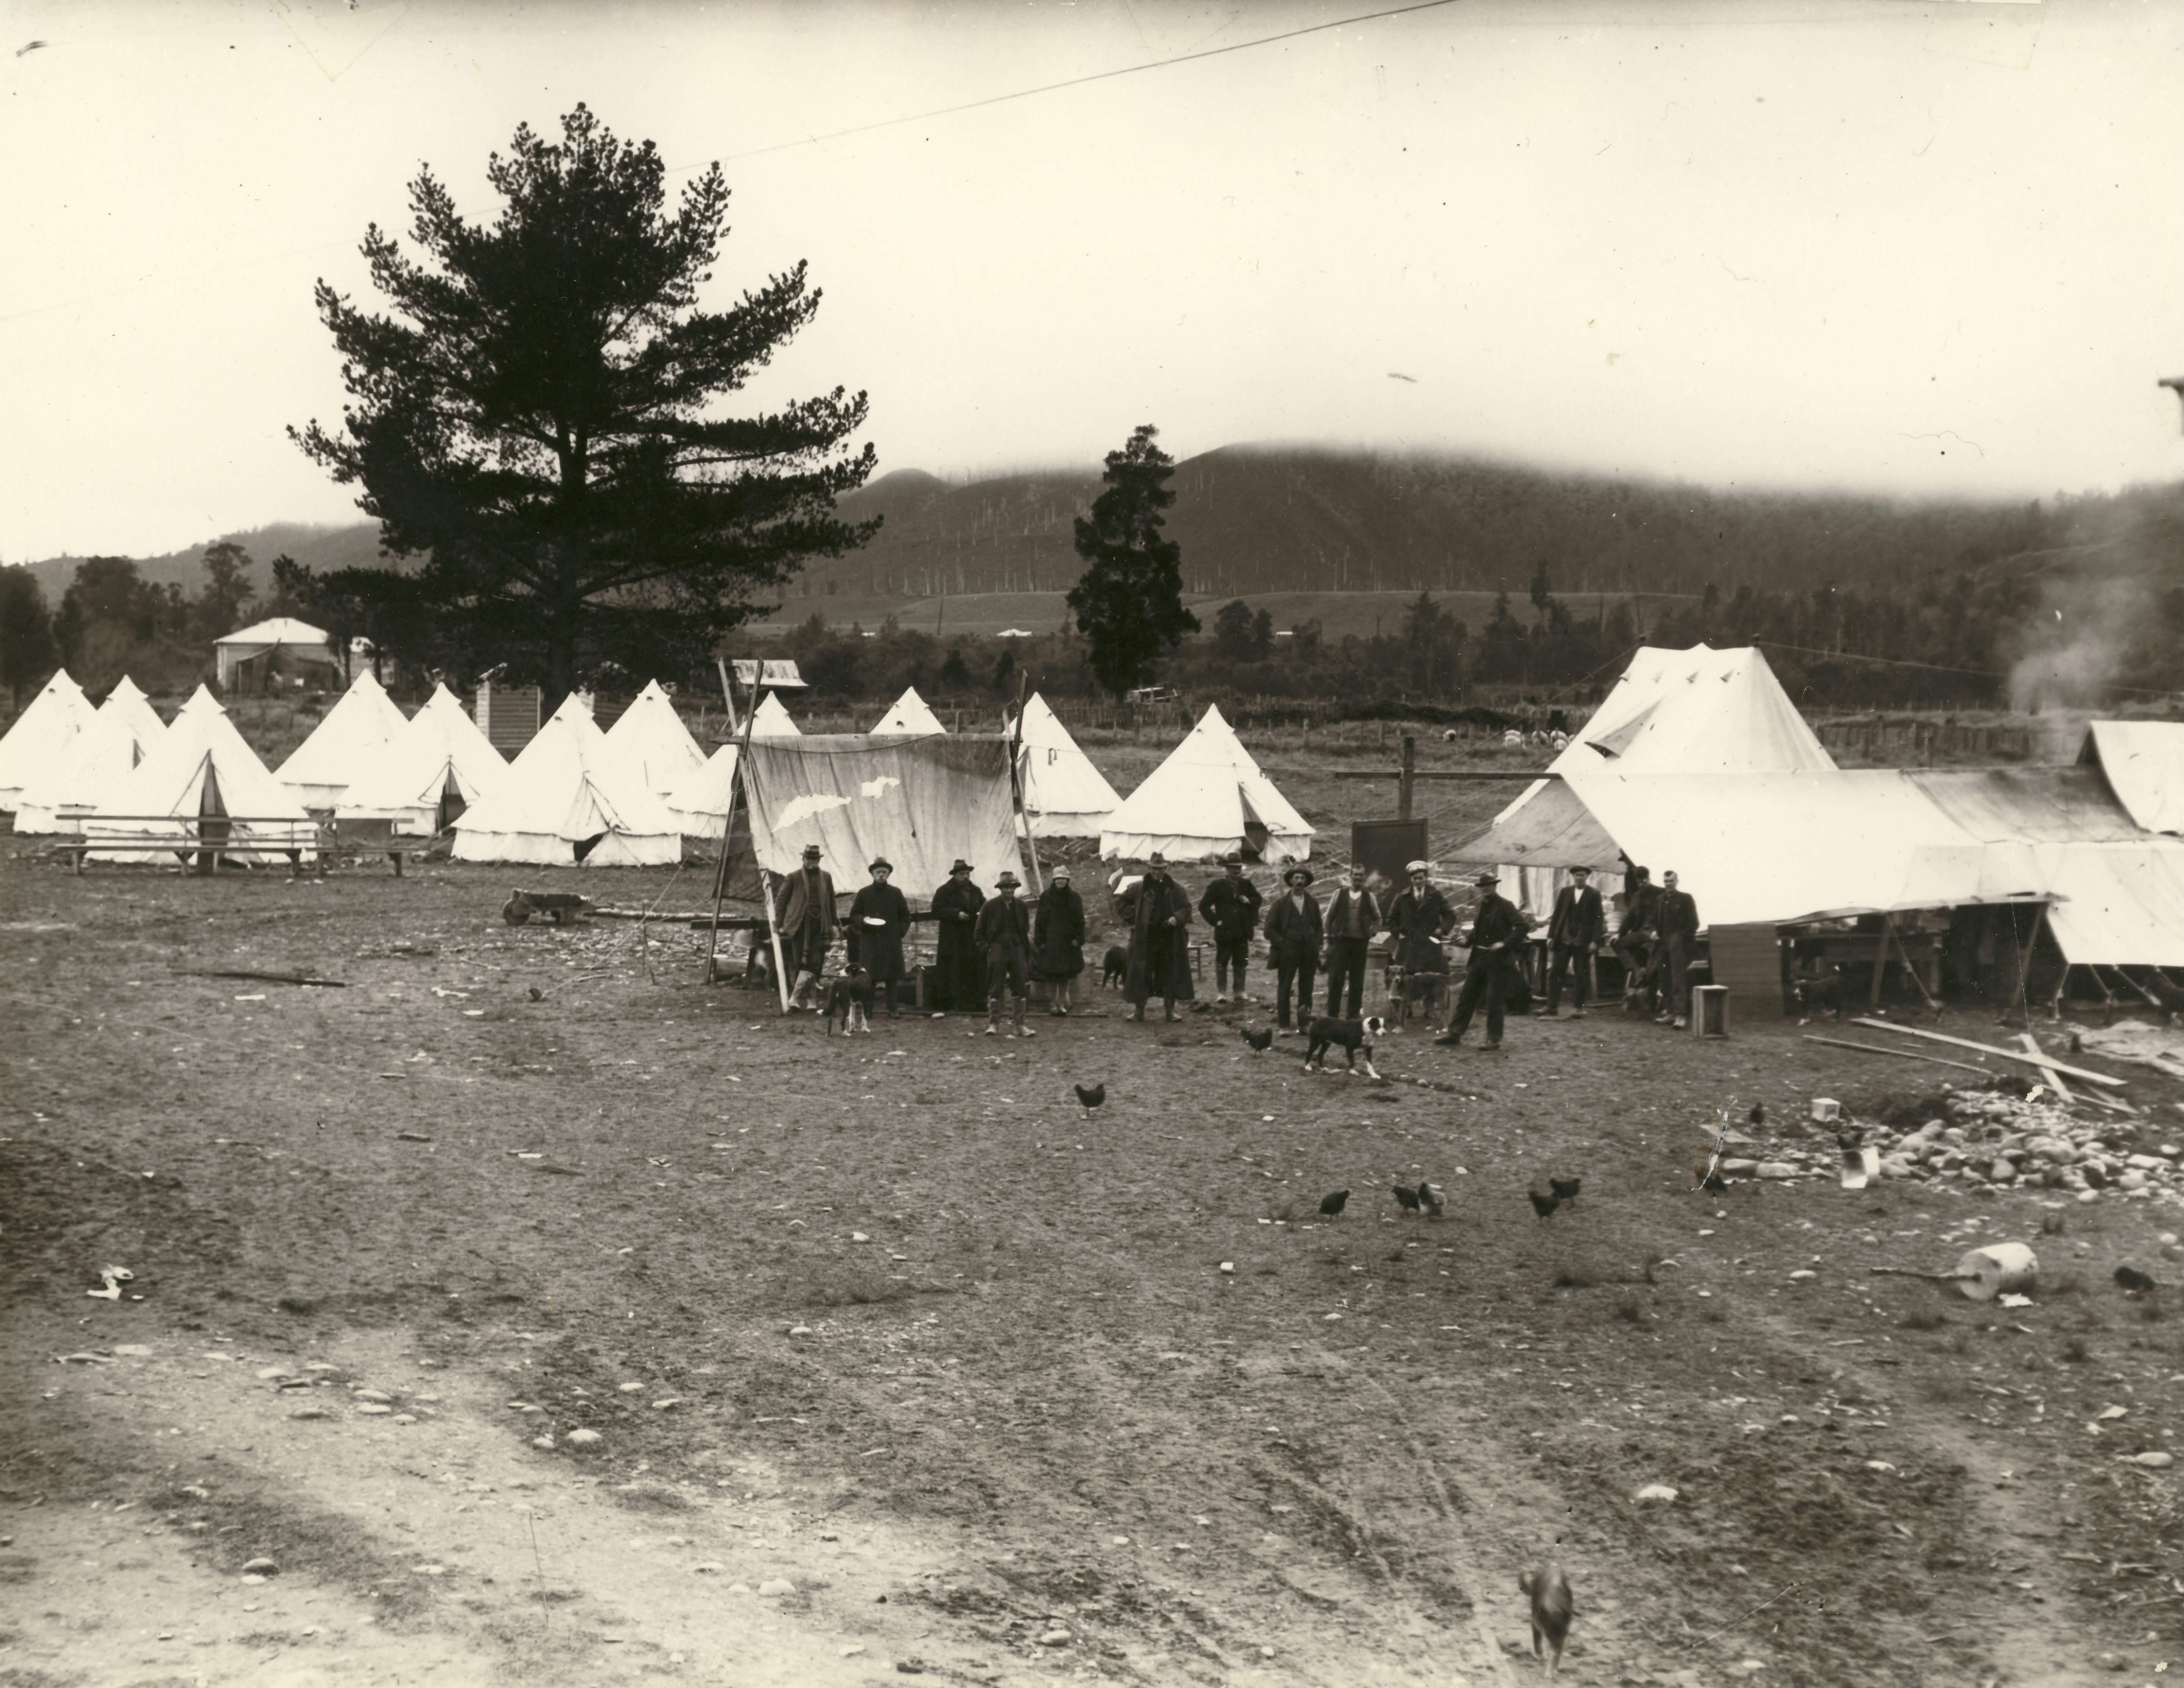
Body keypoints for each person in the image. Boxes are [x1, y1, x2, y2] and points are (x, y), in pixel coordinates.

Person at [1437, 871, 1523, 1049]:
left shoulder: (1506, 906)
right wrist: (1467, 941)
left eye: (1489, 885)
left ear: (1495, 886)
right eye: (1483, 886)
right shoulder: (1481, 905)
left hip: (1498, 961)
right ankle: (1455, 1033)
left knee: (1494, 1000)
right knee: (1467, 996)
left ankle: (1493, 1039)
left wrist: (1505, 944)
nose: (1486, 889)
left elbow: (1524, 926)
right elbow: (1479, 930)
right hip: (1479, 958)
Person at [1123, 853, 1193, 1023]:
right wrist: (1136, 917)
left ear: (1166, 869)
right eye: (1154, 868)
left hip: (1170, 939)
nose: (1157, 872)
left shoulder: (1177, 888)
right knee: (1142, 974)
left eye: (1161, 869)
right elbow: (1121, 901)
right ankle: (1139, 1012)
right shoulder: (1138, 887)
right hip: (1146, 939)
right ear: (1149, 868)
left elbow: (1187, 908)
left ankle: (1170, 1012)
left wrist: (1177, 918)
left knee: (1170, 974)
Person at [773, 843, 837, 1011]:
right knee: (801, 962)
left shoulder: (826, 877)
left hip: (820, 927)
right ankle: (803, 1000)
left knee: (816, 963)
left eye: (815, 859)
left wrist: (835, 924)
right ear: (803, 859)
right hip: (799, 926)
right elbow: (780, 901)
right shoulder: (794, 877)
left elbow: (831, 903)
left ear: (819, 860)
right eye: (809, 859)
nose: (812, 862)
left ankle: (804, 1000)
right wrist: (779, 924)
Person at [845, 858, 911, 1019]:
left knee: (892, 978)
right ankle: (868, 1010)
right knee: (870, 978)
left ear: (888, 874)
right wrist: (864, 921)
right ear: (873, 874)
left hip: (891, 941)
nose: (881, 875)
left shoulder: (896, 893)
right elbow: (854, 915)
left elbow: (905, 916)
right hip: (871, 941)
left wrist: (900, 932)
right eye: (878, 872)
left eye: (884, 872)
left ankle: (893, 1009)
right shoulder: (864, 893)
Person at [1539, 865, 1605, 1019]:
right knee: (1556, 972)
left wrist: (1595, 941)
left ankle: (1579, 1008)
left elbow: (1598, 919)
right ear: (1573, 877)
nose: (1579, 878)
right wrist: (1551, 936)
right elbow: (1557, 915)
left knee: (1581, 974)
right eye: (1577, 875)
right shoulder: (1566, 892)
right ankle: (1551, 1006)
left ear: (1587, 877)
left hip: (1583, 941)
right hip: (1564, 939)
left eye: (1582, 875)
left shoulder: (1594, 894)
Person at [1262, 865, 1322, 1033]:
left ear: (1307, 883)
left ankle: (1304, 1024)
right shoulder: (1280, 904)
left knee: (1307, 987)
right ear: (1290, 881)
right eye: (1296, 878)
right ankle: (1284, 1026)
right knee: (1285, 987)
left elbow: (1319, 927)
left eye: (1303, 879)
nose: (1299, 882)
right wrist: (1284, 944)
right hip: (1288, 952)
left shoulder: (1313, 902)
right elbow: (1269, 930)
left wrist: (1316, 943)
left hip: (1309, 952)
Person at [976, 871, 1036, 1038]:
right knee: (995, 986)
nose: (1009, 891)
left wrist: (1024, 950)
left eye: (1012, 887)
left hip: (1017, 949)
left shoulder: (1022, 907)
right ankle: (994, 1024)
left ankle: (1019, 1025)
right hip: (998, 949)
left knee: (1020, 986)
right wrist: (989, 949)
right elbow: (979, 933)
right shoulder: (990, 906)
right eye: (1006, 888)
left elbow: (1025, 930)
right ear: (1001, 889)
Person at [1321, 861, 1383, 1022]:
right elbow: (1328, 918)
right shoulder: (1339, 894)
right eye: (1355, 875)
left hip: (1360, 945)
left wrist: (1372, 932)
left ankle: (1353, 1016)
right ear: (1350, 877)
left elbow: (1378, 919)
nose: (1358, 878)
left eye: (1361, 875)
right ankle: (1332, 1016)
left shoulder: (1369, 897)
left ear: (1365, 878)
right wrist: (1327, 941)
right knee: (1336, 979)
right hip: (1340, 943)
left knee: (1357, 981)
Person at [1388, 860, 1456, 1005]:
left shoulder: (1436, 896)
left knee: (1430, 979)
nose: (1418, 881)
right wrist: (1399, 935)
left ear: (1426, 878)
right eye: (1415, 878)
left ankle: (1429, 1012)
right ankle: (1407, 1009)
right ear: (1411, 879)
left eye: (1421, 878)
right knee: (1406, 977)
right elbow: (1391, 920)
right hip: (1409, 944)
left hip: (1430, 944)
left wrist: (1441, 929)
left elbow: (1450, 915)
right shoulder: (1402, 898)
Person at [1198, 853, 1263, 1004]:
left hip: (1242, 931)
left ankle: (1239, 992)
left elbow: (1258, 899)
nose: (1236, 871)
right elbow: (1203, 906)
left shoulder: (1247, 884)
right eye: (1233, 868)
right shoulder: (1217, 885)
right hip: (1225, 931)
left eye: (1239, 868)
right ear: (1226, 869)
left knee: (1241, 961)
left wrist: (1249, 900)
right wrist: (1215, 922)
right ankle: (1222, 993)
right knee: (1222, 961)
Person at [930, 858, 985, 1012]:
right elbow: (936, 910)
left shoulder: (976, 891)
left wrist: (980, 914)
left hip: (971, 937)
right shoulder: (944, 891)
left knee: (972, 968)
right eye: (962, 874)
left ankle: (972, 1002)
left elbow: (984, 906)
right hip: (952, 939)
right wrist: (956, 914)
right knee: (953, 971)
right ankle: (953, 1003)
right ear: (955, 875)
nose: (966, 877)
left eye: (968, 873)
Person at [1033, 864, 1087, 1016]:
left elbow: (1080, 921)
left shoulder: (1075, 898)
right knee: (1051, 975)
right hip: (1051, 942)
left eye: (1063, 879)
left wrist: (1079, 939)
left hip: (1068, 943)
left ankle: (1061, 1004)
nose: (1061, 882)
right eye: (1058, 879)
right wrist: (1040, 941)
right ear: (1054, 881)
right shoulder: (1046, 897)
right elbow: (1039, 921)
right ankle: (1052, 1005)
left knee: (1065, 975)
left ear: (1068, 880)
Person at [1652, 868, 1702, 1030]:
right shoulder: (1660, 900)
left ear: (1677, 882)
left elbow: (1694, 923)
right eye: (1666, 882)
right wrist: (1653, 932)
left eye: (1671, 881)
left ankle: (1681, 1015)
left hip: (1678, 945)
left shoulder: (1686, 899)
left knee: (1678, 978)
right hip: (1663, 944)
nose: (1669, 884)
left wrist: (1680, 938)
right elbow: (1654, 921)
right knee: (1665, 979)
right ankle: (1671, 1012)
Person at [1614, 864, 1660, 1015]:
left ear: (1650, 878)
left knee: (1655, 963)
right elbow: (1630, 918)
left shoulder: (1660, 893)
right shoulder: (1636, 896)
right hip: (1642, 933)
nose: (1642, 885)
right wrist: (1619, 934)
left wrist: (1659, 932)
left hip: (1657, 934)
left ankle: (1651, 999)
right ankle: (1636, 971)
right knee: (1619, 944)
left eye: (1644, 881)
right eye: (1639, 882)